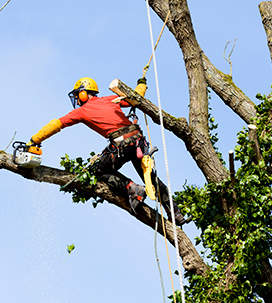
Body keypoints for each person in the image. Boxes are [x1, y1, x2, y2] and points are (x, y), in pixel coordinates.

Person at [28, 77, 188, 226]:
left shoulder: (82, 111)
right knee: (151, 179)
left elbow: (57, 124)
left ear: (83, 93)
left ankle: (132, 188)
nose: (77, 100)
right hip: (137, 142)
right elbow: (137, 97)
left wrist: (35, 140)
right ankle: (175, 213)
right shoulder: (110, 99)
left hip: (122, 144)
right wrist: (142, 84)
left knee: (99, 171)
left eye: (78, 96)